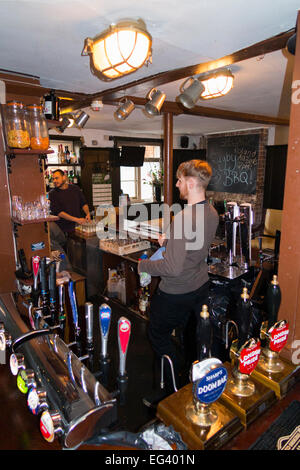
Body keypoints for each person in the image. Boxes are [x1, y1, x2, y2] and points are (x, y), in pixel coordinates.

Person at [138, 159, 219, 400]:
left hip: (176, 292)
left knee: (158, 335)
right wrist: (170, 241)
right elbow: (194, 246)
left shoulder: (184, 217)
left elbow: (171, 268)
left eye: (180, 180)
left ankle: (173, 392)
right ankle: (191, 379)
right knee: (187, 336)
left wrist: (143, 265)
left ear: (191, 182)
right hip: (200, 286)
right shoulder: (211, 211)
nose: (176, 184)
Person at [49, 169, 90, 234]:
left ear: (64, 177)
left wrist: (88, 214)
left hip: (79, 227)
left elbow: (83, 203)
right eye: (53, 179)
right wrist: (77, 220)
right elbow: (59, 212)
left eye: (57, 178)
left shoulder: (75, 188)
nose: (54, 181)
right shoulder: (52, 194)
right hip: (64, 229)